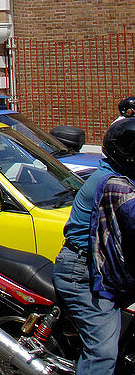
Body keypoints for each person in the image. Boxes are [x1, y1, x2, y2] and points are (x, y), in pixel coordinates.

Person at [52, 117, 135, 374]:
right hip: (83, 272)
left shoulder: (122, 173)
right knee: (102, 351)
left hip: (105, 265)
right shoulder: (115, 184)